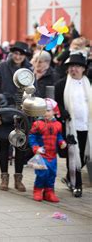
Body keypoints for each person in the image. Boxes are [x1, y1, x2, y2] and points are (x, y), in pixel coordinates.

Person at [0, 41, 31, 192]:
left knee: (21, 147)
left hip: (22, 115)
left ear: (25, 55)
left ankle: (18, 178)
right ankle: (4, 177)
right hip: (4, 112)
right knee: (4, 146)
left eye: (21, 54)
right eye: (16, 53)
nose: (18, 56)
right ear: (11, 53)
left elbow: (35, 91)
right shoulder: (1, 68)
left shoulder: (29, 69)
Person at [54, 54, 92, 198]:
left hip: (87, 126)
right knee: (73, 155)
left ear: (83, 69)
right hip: (70, 126)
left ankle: (70, 177)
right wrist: (62, 112)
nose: (73, 69)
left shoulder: (89, 83)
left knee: (83, 156)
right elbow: (56, 102)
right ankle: (77, 185)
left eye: (76, 66)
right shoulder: (61, 84)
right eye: (71, 67)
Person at [28, 98, 67, 202]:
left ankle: (49, 192)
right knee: (42, 174)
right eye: (43, 110)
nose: (46, 113)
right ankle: (37, 190)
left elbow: (58, 136)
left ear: (54, 111)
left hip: (52, 155)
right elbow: (32, 136)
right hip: (42, 154)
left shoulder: (58, 125)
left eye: (48, 110)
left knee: (52, 174)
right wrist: (35, 147)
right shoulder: (37, 124)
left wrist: (61, 142)